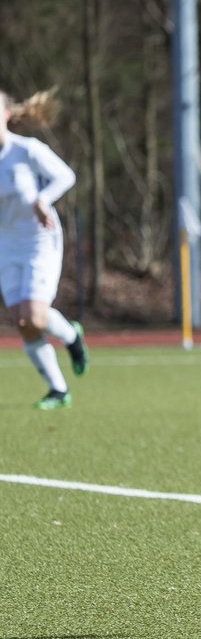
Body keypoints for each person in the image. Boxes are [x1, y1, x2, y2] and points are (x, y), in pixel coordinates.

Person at [0, 88, 86, 410]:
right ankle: (59, 390)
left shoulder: (27, 151)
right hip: (6, 246)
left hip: (39, 240)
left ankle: (72, 337)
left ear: (7, 114)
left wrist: (41, 199)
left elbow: (66, 175)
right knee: (22, 322)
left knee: (34, 314)